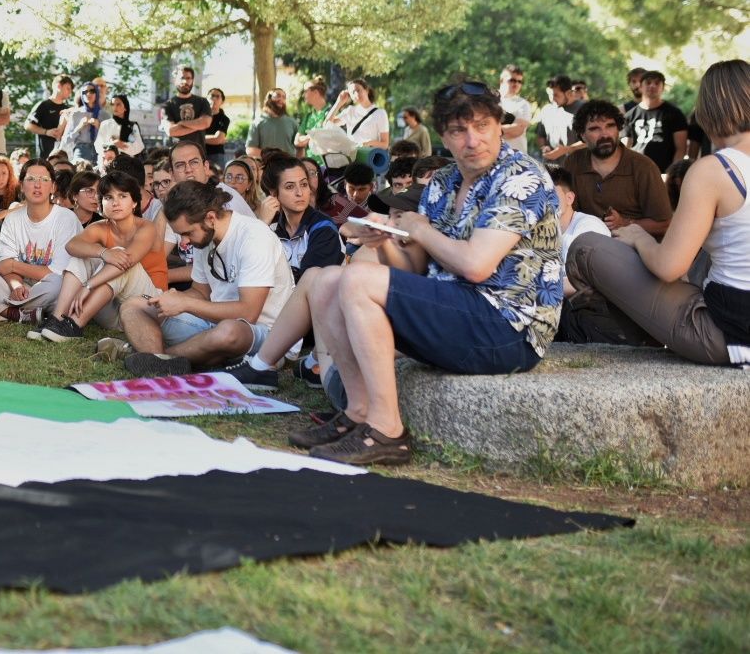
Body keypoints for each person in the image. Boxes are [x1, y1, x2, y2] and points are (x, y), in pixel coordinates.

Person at [235, 81, 562, 466]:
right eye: (459, 130)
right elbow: (415, 268)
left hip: (509, 329)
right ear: (444, 136)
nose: (472, 140)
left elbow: (476, 265)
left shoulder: (521, 175)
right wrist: (384, 239)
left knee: (357, 280)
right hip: (456, 311)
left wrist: (420, 230)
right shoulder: (444, 182)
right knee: (326, 281)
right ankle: (358, 414)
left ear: (498, 126)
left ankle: (388, 430)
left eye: (482, 126)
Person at [568, 59, 750, 366]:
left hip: (729, 334)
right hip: (730, 311)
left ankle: (627, 337)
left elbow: (669, 267)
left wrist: (638, 236)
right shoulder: (575, 163)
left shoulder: (714, 169)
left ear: (707, 111)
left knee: (586, 247)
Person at [114, 181, 294, 377]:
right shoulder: (205, 237)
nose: (185, 242)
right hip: (213, 324)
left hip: (264, 334)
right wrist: (171, 300)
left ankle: (162, 358)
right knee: (133, 306)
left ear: (210, 217)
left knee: (228, 331)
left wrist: (186, 304)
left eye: (187, 233)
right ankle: (165, 361)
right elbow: (200, 292)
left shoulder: (254, 237)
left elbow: (248, 313)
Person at [34, 171, 167, 342]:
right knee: (84, 255)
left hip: (148, 306)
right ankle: (57, 319)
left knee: (120, 256)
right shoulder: (100, 227)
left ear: (134, 202)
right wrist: (103, 252)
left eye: (122, 196)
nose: (115, 203)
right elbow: (71, 246)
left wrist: (88, 285)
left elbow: (128, 260)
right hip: (113, 312)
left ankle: (74, 325)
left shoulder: (146, 227)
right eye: (108, 197)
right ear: (101, 203)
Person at [561, 100, 673, 236]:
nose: (605, 134)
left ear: (618, 129)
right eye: (594, 128)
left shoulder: (643, 167)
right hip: (587, 241)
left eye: (610, 126)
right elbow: (564, 212)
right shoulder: (573, 162)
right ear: (582, 135)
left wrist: (625, 223)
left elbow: (665, 224)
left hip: (633, 244)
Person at [0, 158, 85, 317]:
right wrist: (17, 286)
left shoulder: (66, 218)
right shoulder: (13, 219)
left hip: (53, 287)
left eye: (44, 179)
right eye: (31, 179)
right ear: (22, 186)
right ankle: (27, 310)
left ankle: (10, 310)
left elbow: (56, 273)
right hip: (22, 285)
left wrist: (13, 265)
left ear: (53, 187)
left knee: (57, 284)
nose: (37, 185)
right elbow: (3, 266)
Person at [263, 155, 343, 281]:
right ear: (273, 193)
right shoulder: (270, 229)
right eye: (290, 187)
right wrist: (261, 226)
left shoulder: (324, 228)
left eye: (304, 184)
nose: (299, 193)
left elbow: (310, 281)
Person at [623, 69, 690, 173]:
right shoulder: (630, 115)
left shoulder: (675, 114)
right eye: (648, 83)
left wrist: (672, 174)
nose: (652, 86)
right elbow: (625, 148)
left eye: (657, 83)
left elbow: (681, 149)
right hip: (636, 171)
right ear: (641, 87)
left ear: (663, 88)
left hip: (664, 172)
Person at [325, 78, 390, 152]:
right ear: (351, 97)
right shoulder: (350, 111)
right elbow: (327, 124)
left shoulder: (380, 113)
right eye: (353, 92)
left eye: (358, 90)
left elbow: (385, 144)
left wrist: (367, 143)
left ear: (367, 90)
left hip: (369, 155)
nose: (356, 94)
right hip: (351, 154)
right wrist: (338, 103)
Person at [25, 74, 75, 159]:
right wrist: (46, 132)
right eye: (68, 88)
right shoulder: (43, 105)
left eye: (71, 90)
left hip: (63, 156)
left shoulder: (67, 109)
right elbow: (27, 125)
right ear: (58, 86)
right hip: (45, 156)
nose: (70, 92)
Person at [56, 80, 106, 162]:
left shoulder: (105, 114)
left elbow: (110, 138)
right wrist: (79, 127)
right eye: (85, 92)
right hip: (81, 151)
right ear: (81, 95)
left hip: (100, 151)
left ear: (97, 93)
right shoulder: (76, 114)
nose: (88, 94)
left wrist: (99, 126)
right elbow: (66, 140)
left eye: (92, 91)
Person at [536, 75, 582, 161]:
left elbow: (591, 141)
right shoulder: (546, 110)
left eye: (555, 95)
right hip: (550, 167)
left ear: (568, 93)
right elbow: (540, 136)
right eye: (549, 95)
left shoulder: (584, 109)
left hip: (576, 166)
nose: (552, 99)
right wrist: (544, 148)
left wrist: (567, 149)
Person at [246, 90, 298, 160]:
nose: (281, 99)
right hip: (266, 165)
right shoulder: (257, 123)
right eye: (278, 96)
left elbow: (300, 148)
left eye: (284, 97)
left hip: (289, 165)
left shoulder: (292, 122)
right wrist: (271, 157)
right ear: (269, 98)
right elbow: (250, 149)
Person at [96, 92, 145, 158]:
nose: (115, 107)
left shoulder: (132, 126)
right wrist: (112, 144)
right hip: (108, 161)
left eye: (118, 104)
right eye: (112, 104)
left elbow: (139, 147)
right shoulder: (105, 124)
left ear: (125, 108)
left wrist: (122, 144)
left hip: (127, 162)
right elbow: (98, 145)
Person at [293, 78, 331, 160]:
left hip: (328, 164)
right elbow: (297, 141)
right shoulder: (308, 116)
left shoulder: (332, 113)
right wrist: (312, 135)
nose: (303, 95)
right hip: (310, 164)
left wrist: (306, 137)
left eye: (305, 91)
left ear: (316, 92)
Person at [496, 64, 533, 146]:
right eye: (512, 80)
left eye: (519, 81)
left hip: (515, 153)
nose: (516, 84)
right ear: (501, 81)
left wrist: (491, 130)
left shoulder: (523, 104)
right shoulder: (490, 100)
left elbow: (518, 130)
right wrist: (507, 128)